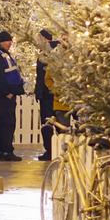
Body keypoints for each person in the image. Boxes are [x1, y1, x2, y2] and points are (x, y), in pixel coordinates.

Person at [0, 31, 25, 162]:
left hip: (7, 93)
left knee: (5, 122)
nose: (10, 44)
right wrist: (7, 92)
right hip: (4, 94)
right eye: (9, 41)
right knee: (8, 122)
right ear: (2, 41)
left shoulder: (0, 54)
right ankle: (6, 151)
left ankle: (2, 150)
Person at [35, 30, 71, 163]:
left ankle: (54, 150)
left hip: (53, 96)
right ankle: (53, 150)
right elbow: (44, 77)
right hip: (51, 94)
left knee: (55, 124)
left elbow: (45, 77)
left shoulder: (52, 53)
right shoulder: (47, 54)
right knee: (56, 124)